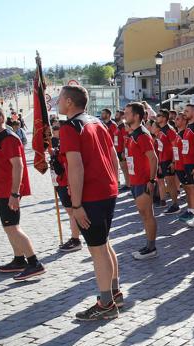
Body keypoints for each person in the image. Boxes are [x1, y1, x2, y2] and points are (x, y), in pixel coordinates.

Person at [58, 85, 122, 320]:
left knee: (97, 250)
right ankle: (114, 293)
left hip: (91, 195)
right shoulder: (96, 122)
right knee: (104, 244)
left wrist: (76, 205)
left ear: (69, 103)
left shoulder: (71, 127)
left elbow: (75, 166)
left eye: (60, 99)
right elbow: (113, 155)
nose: (57, 102)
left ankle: (106, 303)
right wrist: (113, 181)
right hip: (107, 190)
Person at [0, 105, 45, 280]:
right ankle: (19, 260)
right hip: (2, 190)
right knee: (9, 227)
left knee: (12, 227)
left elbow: (18, 165)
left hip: (9, 191)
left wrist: (15, 194)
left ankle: (34, 263)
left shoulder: (8, 138)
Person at [124, 102, 159, 260]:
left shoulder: (142, 135)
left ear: (136, 116)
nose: (125, 116)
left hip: (144, 181)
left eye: (127, 113)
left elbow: (153, 158)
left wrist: (151, 180)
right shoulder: (133, 134)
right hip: (136, 180)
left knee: (147, 214)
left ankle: (151, 248)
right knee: (144, 214)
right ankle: (148, 245)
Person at [51, 124, 82, 252]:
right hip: (61, 182)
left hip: (67, 183)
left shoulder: (67, 147)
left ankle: (76, 239)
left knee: (72, 212)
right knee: (71, 212)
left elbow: (68, 167)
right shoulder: (59, 146)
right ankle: (75, 237)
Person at [115, 110, 131, 191]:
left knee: (125, 168)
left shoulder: (123, 126)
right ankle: (127, 183)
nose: (115, 116)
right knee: (123, 168)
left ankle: (129, 184)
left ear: (121, 116)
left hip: (122, 151)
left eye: (117, 115)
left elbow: (125, 139)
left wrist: (124, 151)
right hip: (118, 150)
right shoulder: (119, 126)